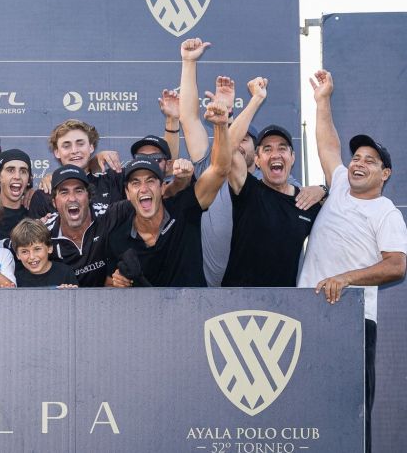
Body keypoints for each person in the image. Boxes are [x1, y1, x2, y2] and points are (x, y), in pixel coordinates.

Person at [299, 69, 406, 453]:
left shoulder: (386, 212)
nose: (359, 163)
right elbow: (328, 143)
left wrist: (346, 278)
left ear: (385, 174)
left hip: (353, 319)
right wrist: (323, 99)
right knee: (304, 408)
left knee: (352, 412)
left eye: (370, 161)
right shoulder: (341, 183)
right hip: (306, 311)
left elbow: (396, 265)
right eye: (357, 157)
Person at [174, 39, 323, 286]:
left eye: (246, 139)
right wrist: (189, 62)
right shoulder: (209, 167)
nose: (239, 144)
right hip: (210, 290)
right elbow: (189, 118)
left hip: (266, 293)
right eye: (236, 137)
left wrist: (323, 189)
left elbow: (316, 199)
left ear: (256, 153)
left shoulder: (275, 183)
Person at [102, 76, 234, 288]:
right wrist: (117, 282)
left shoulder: (185, 209)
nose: (143, 188)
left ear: (162, 186)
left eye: (150, 180)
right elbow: (107, 282)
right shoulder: (118, 236)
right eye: (135, 183)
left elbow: (220, 170)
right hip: (147, 310)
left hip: (196, 307)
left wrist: (221, 126)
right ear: (126, 193)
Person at [221, 119, 322, 287]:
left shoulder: (307, 202)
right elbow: (227, 146)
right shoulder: (247, 189)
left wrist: (324, 190)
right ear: (257, 160)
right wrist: (256, 102)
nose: (275, 154)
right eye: (267, 149)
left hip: (283, 301)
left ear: (292, 157)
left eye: (282, 148)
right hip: (237, 298)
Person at [42, 164, 135, 287]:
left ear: (89, 196)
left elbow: (141, 202)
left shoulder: (107, 214)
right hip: (65, 298)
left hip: (106, 297)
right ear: (54, 202)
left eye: (79, 191)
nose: (72, 198)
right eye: (64, 192)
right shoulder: (44, 232)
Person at [10, 219, 77, 288]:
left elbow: (76, 294)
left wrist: (68, 292)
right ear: (17, 254)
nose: (32, 257)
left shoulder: (65, 273)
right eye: (24, 251)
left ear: (49, 248)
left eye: (37, 249)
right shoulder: (14, 277)